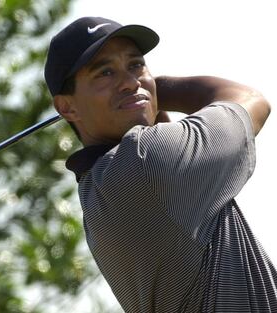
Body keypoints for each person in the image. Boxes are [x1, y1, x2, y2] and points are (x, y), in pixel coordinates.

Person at [44, 16, 276, 312]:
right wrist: (157, 90)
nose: (129, 81)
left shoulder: (97, 188)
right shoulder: (146, 161)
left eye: (136, 65)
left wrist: (140, 97)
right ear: (67, 107)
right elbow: (251, 100)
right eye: (104, 73)